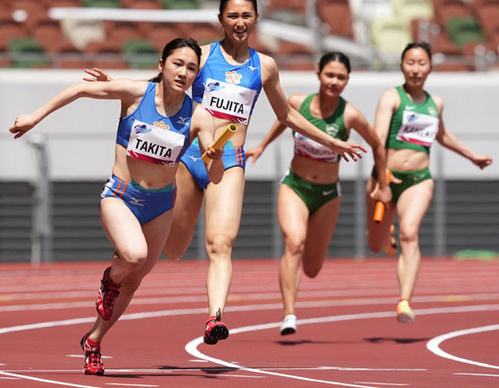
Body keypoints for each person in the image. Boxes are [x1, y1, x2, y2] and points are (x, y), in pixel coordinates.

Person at [87, 0, 366, 345]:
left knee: (221, 243)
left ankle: (214, 317)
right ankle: (113, 285)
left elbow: (287, 116)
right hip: (188, 158)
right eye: (232, 15)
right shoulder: (201, 57)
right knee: (173, 250)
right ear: (220, 18)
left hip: (229, 160)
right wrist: (116, 84)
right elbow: (163, 84)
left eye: (246, 15)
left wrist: (332, 142)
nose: (239, 21)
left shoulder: (264, 66)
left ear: (256, 19)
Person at [11, 38, 221, 375]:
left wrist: (216, 157)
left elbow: (216, 174)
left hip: (161, 206)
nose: (184, 72)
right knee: (133, 257)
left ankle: (94, 340)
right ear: (161, 65)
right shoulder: (134, 93)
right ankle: (111, 278)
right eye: (177, 64)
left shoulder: (199, 116)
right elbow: (78, 90)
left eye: (192, 68)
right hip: (121, 196)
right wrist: (35, 116)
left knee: (135, 282)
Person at [245, 52, 391, 335]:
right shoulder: (299, 102)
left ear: (347, 80)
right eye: (330, 75)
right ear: (318, 74)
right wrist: (262, 145)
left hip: (326, 196)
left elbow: (377, 144)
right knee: (294, 242)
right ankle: (289, 314)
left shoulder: (350, 116)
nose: (334, 81)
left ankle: (296, 295)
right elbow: (284, 119)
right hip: (295, 187)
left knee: (312, 268)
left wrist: (382, 182)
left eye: (341, 77)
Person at [365, 42, 492, 323]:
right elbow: (378, 139)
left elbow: (442, 135)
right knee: (375, 245)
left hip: (418, 180)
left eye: (422, 63)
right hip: (385, 178)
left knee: (410, 234)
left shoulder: (436, 103)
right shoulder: (392, 98)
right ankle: (386, 234)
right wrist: (382, 178)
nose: (416, 69)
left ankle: (404, 301)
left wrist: (472, 156)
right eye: (410, 62)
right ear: (402, 66)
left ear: (430, 67)